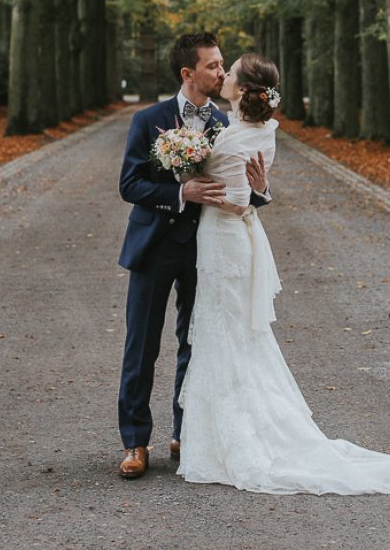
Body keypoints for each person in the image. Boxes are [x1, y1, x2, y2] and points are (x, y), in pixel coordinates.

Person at [177, 52, 390, 495]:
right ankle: (217, 435)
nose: (224, 75)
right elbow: (250, 189)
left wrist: (202, 186)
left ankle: (236, 441)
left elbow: (238, 201)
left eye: (230, 73)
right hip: (228, 240)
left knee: (228, 336)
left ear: (244, 89)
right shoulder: (253, 130)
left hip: (226, 239)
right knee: (229, 336)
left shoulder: (241, 138)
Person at [116, 33, 271, 479]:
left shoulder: (230, 125)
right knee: (141, 346)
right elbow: (130, 184)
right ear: (188, 74)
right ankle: (135, 442)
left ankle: (186, 433)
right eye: (213, 66)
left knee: (197, 343)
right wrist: (179, 191)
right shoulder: (149, 120)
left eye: (223, 65)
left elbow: (240, 191)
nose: (222, 73)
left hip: (205, 250)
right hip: (153, 247)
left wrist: (260, 191)